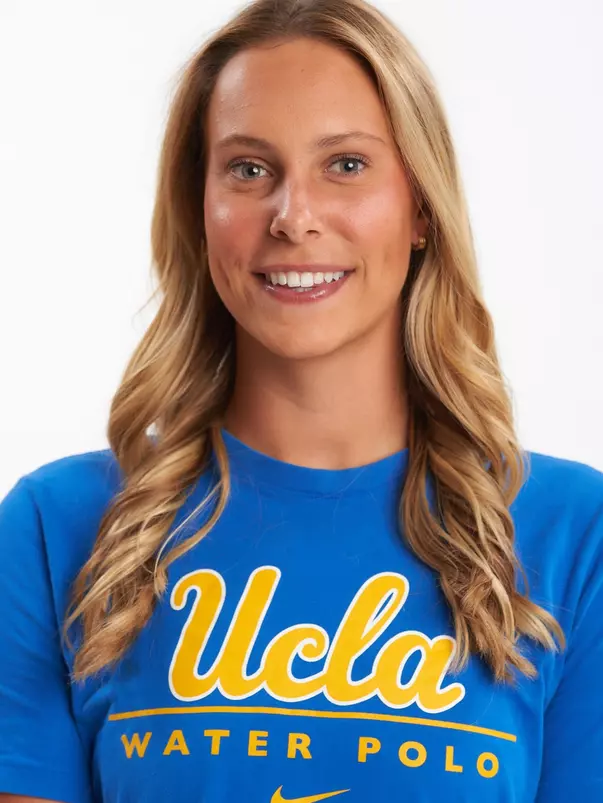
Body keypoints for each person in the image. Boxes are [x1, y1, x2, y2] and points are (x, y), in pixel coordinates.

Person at [1, 0, 602, 801]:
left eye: (345, 165)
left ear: (419, 206)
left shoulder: (571, 532)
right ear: (200, 207)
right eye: (249, 169)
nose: (294, 217)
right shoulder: (59, 528)